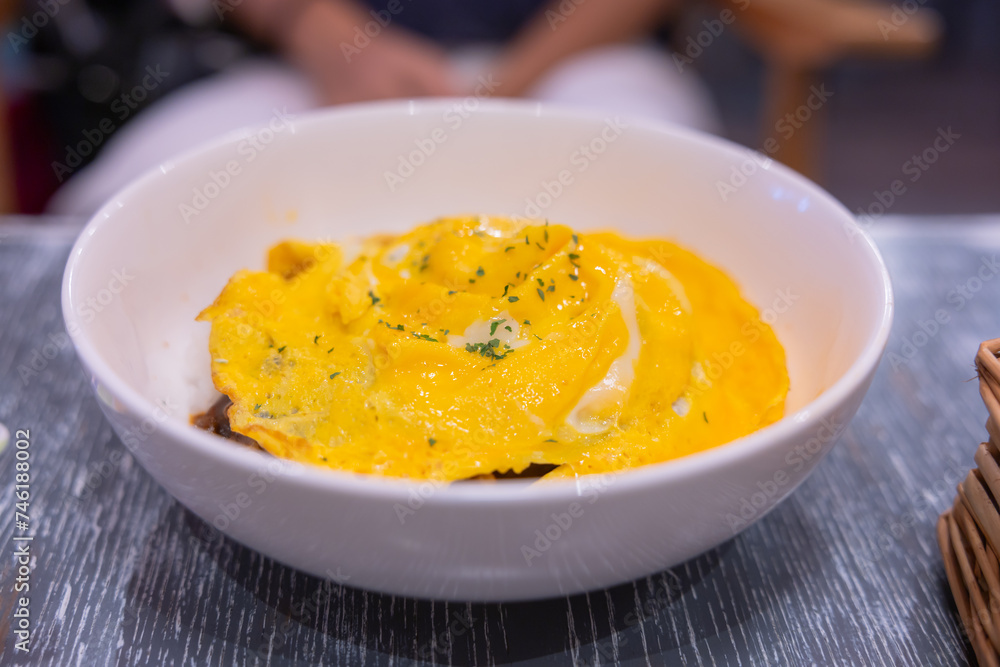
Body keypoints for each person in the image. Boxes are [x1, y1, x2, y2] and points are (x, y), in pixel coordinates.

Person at [47, 0, 720, 215]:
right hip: (313, 62)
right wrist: (317, 29)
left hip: (569, 57)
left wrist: (506, 88)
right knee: (128, 207)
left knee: (671, 199)